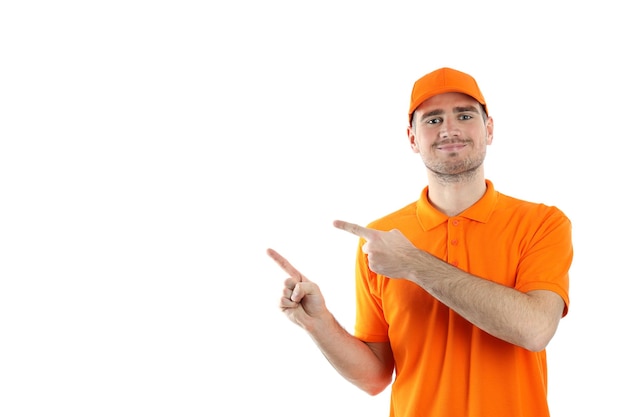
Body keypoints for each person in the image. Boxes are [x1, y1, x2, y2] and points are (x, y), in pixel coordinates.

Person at [267, 67, 573, 417]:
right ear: (412, 138)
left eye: (465, 114)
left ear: (489, 129)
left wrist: (413, 263)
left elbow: (534, 330)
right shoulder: (381, 238)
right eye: (432, 119)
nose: (449, 129)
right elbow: (375, 377)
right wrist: (318, 323)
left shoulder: (542, 223)